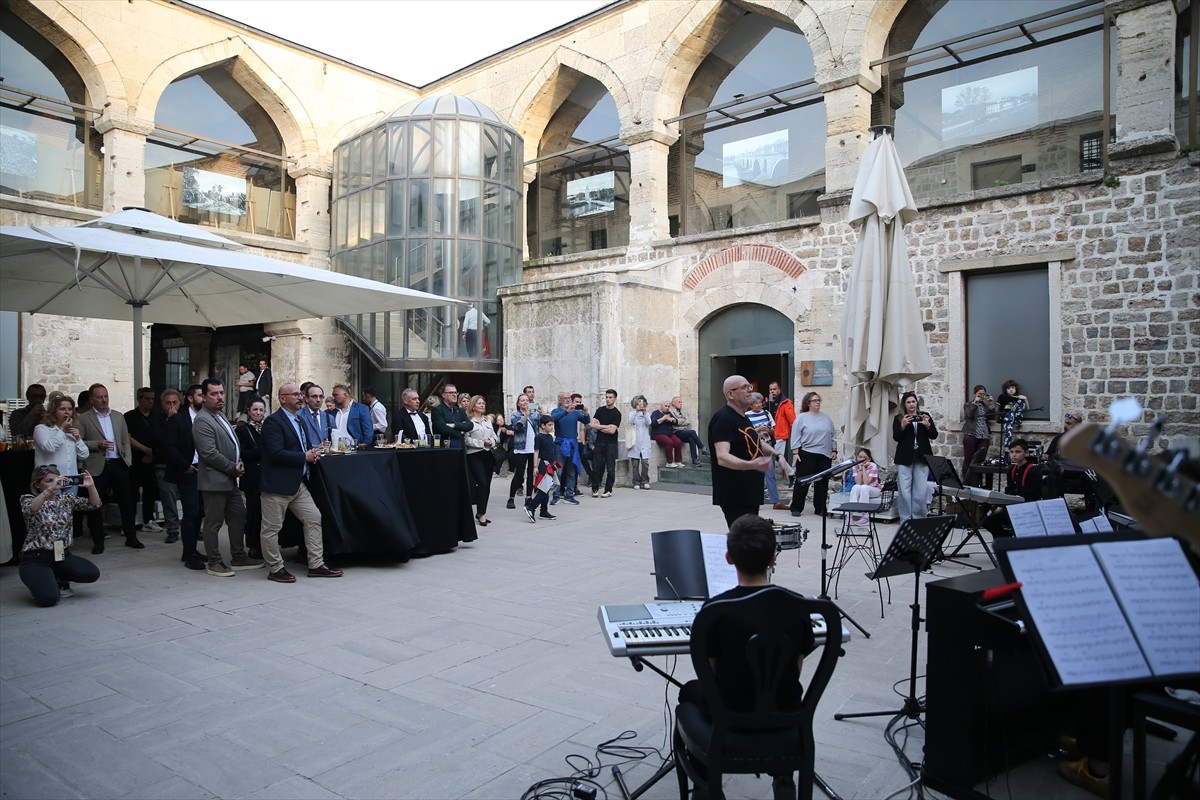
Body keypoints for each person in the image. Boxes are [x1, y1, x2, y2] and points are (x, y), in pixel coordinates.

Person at [676, 514, 815, 800]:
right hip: (785, 711)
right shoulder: (797, 606)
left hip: (729, 714)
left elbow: (712, 674)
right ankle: (783, 774)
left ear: (729, 558)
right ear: (773, 558)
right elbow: (796, 669)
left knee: (689, 691)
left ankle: (704, 786)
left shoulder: (716, 610)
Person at [260, 382, 343, 582]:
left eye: (300, 394)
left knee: (314, 517)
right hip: (277, 485)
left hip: (298, 483)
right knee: (272, 528)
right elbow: (275, 453)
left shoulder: (300, 421)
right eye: (295, 394)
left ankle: (316, 564)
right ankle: (275, 568)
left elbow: (302, 448)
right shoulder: (273, 422)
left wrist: (313, 454)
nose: (300, 397)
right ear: (282, 399)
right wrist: (303, 457)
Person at [192, 378, 262, 576]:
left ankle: (238, 557)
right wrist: (233, 467)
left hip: (230, 479)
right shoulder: (202, 420)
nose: (219, 397)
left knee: (238, 516)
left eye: (221, 392)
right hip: (215, 480)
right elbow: (209, 453)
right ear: (204, 397)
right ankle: (214, 561)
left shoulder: (219, 414)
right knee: (213, 523)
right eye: (214, 394)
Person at [19, 465, 102, 606]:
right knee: (49, 598)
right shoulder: (27, 499)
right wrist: (51, 489)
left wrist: (91, 487)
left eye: (56, 479)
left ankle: (58, 578)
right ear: (37, 484)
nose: (54, 483)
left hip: (61, 555)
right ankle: (41, 583)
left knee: (91, 573)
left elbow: (94, 504)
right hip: (36, 558)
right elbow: (31, 509)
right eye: (48, 480)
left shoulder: (66, 499)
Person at [78, 383, 143, 552]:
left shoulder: (118, 416)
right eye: (99, 397)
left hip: (118, 464)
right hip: (97, 465)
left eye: (105, 396)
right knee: (95, 505)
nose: (104, 400)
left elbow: (125, 440)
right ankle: (98, 541)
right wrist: (96, 444)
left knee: (126, 502)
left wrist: (127, 460)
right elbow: (78, 442)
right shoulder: (84, 418)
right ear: (91, 399)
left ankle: (131, 537)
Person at [710, 376, 775, 528]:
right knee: (744, 541)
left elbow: (756, 442)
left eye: (749, 387)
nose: (749, 391)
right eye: (744, 387)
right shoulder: (723, 419)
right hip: (735, 493)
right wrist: (752, 464)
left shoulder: (743, 417)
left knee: (749, 540)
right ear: (730, 394)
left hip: (750, 491)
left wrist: (778, 456)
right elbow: (722, 457)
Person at [162, 384, 205, 570]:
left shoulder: (209, 418)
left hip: (206, 472)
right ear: (190, 398)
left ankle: (192, 548)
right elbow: (168, 446)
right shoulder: (178, 420)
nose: (204, 398)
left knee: (200, 512)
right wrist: (184, 465)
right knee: (191, 511)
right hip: (188, 471)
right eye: (201, 395)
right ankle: (189, 553)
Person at [788, 392, 838, 519]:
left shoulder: (826, 417)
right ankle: (796, 507)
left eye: (819, 400)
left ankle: (820, 508)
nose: (817, 402)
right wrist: (795, 452)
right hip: (807, 453)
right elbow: (795, 435)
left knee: (822, 483)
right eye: (814, 400)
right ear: (808, 403)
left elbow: (833, 434)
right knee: (803, 481)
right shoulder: (802, 417)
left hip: (824, 454)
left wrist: (834, 449)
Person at [982, 439, 1043, 537]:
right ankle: (1003, 538)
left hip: (1026, 505)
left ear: (1026, 453)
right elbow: (1009, 489)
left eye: (1018, 452)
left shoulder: (1033, 471)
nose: (1014, 455)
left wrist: (1003, 507)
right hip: (1013, 503)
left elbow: (1030, 494)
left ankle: (1006, 539)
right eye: (1011, 452)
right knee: (985, 517)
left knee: (993, 518)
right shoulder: (1012, 470)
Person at [892, 391, 938, 521]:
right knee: (905, 492)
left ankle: (919, 519)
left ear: (916, 403)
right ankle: (906, 520)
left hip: (921, 457)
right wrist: (902, 426)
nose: (911, 404)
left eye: (913, 401)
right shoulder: (899, 418)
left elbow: (934, 435)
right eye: (908, 402)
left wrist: (927, 425)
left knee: (920, 491)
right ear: (904, 405)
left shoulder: (925, 416)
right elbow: (896, 437)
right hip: (904, 458)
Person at [124, 387, 163, 534]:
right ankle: (129, 522)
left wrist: (152, 452)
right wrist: (144, 450)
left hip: (152, 459)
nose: (150, 402)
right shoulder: (129, 416)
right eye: (147, 398)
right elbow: (127, 437)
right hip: (135, 460)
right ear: (139, 399)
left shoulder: (157, 416)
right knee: (132, 492)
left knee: (151, 491)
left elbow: (161, 436)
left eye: (152, 399)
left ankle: (148, 520)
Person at [33, 395, 89, 491]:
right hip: (50, 481)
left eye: (70, 409)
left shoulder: (72, 432)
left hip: (71, 480)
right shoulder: (41, 429)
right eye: (62, 409)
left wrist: (78, 438)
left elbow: (84, 455)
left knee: (70, 505)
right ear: (54, 412)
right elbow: (49, 448)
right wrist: (62, 429)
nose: (67, 412)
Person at [236, 397, 266, 559]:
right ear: (248, 411)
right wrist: (262, 450)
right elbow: (243, 453)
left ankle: (265, 544)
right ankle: (253, 545)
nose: (258, 413)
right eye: (255, 409)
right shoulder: (242, 430)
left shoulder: (268, 428)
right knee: (253, 512)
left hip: (266, 476)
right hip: (252, 477)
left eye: (261, 410)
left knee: (265, 513)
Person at [153, 389, 183, 544]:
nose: (171, 406)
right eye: (168, 403)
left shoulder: (185, 418)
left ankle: (192, 529)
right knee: (169, 500)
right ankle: (172, 530)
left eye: (175, 402)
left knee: (189, 500)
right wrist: (171, 420)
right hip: (164, 464)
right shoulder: (157, 419)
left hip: (184, 465)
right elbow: (160, 439)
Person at [463, 395, 498, 526]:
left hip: (488, 455)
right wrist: (481, 443)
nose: (482, 405)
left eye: (483, 403)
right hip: (474, 455)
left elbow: (495, 437)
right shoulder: (468, 421)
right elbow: (466, 439)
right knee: (482, 483)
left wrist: (491, 441)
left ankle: (481, 512)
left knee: (487, 486)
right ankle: (481, 513)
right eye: (479, 403)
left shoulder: (487, 421)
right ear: (473, 405)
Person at [550, 391, 590, 504]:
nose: (567, 400)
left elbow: (586, 421)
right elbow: (553, 419)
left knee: (572, 471)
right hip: (560, 444)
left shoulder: (576, 412)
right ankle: (556, 495)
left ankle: (569, 495)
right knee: (558, 471)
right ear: (560, 400)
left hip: (573, 444)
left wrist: (586, 412)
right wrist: (565, 412)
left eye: (568, 398)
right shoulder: (556, 411)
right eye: (565, 398)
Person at [746, 392, 780, 508]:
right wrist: (759, 428)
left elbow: (774, 431)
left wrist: (770, 430)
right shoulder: (746, 415)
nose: (759, 405)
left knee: (770, 474)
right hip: (753, 448)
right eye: (756, 403)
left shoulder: (767, 413)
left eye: (760, 402)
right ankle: (754, 499)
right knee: (754, 474)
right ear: (751, 404)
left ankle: (775, 501)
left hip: (767, 445)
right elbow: (746, 433)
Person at [523, 416, 560, 522]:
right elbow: (536, 451)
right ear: (543, 426)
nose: (552, 427)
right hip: (543, 465)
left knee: (547, 489)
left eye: (552, 424)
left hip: (551, 465)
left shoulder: (550, 437)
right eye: (549, 425)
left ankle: (543, 511)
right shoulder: (539, 437)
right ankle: (531, 507)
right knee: (544, 489)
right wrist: (535, 467)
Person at [507, 394, 540, 508]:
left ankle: (528, 497)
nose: (525, 402)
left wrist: (541, 412)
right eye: (522, 400)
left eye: (527, 400)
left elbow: (540, 424)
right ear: (518, 403)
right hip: (521, 447)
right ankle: (511, 498)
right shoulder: (515, 415)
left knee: (531, 474)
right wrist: (525, 416)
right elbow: (517, 428)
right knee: (519, 473)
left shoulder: (535, 414)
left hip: (532, 447)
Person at [961, 385, 995, 486]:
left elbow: (992, 416)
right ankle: (967, 483)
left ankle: (978, 483)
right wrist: (975, 403)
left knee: (980, 461)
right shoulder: (968, 404)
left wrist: (991, 404)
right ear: (974, 394)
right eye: (979, 394)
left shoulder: (984, 406)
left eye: (983, 394)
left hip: (984, 435)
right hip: (971, 434)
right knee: (968, 459)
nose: (981, 396)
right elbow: (969, 415)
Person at [589, 389, 621, 498]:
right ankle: (595, 488)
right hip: (599, 442)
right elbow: (592, 425)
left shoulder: (617, 414)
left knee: (610, 468)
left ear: (615, 399)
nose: (608, 399)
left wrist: (600, 427)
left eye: (610, 397)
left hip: (611, 444)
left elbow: (612, 431)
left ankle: (608, 490)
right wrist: (606, 426)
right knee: (597, 467)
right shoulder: (600, 410)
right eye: (606, 397)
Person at [767, 381, 796, 483]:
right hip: (770, 434)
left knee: (777, 457)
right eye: (770, 389)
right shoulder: (769, 402)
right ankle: (788, 474)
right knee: (773, 456)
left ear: (779, 390)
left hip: (780, 434)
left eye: (774, 389)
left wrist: (795, 434)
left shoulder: (786, 402)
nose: (772, 391)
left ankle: (791, 473)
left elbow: (792, 420)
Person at [329, 384, 373, 448]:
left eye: (335, 395)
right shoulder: (333, 413)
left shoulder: (361, 409)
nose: (333, 398)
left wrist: (365, 444)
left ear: (345, 395)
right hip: (336, 451)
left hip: (355, 450)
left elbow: (368, 430)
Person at [845, 448, 881, 526]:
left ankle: (865, 516)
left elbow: (866, 482)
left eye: (864, 458)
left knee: (864, 487)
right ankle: (850, 515)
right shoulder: (855, 466)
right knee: (855, 487)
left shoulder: (873, 466)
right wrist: (860, 468)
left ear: (869, 459)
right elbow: (858, 482)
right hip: (862, 488)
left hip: (874, 489)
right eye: (860, 457)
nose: (862, 459)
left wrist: (863, 468)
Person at [669, 395, 708, 466]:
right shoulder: (670, 411)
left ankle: (695, 459)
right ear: (673, 403)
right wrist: (680, 421)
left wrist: (678, 421)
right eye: (679, 402)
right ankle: (702, 447)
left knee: (691, 439)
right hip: (676, 432)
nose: (681, 404)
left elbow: (688, 421)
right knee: (692, 432)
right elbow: (674, 422)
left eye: (681, 402)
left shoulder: (683, 411)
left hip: (683, 431)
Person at [431, 384, 472, 448]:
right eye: (451, 393)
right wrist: (460, 432)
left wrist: (454, 425)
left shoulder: (460, 410)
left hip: (460, 448)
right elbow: (442, 428)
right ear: (443, 395)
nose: (454, 395)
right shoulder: (437, 410)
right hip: (445, 449)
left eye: (456, 392)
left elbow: (470, 425)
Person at [625, 395, 653, 490]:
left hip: (644, 442)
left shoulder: (646, 415)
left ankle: (645, 480)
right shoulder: (632, 414)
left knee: (645, 463)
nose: (640, 406)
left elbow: (649, 423)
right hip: (635, 442)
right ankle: (636, 481)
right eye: (638, 404)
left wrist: (644, 412)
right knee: (635, 464)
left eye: (641, 404)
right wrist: (636, 412)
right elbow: (630, 421)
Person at [995, 379, 1029, 456]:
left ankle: (1018, 419)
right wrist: (997, 416)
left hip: (1015, 415)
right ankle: (1007, 450)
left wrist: (1025, 399)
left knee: (1021, 401)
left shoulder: (1018, 398)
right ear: (1005, 389)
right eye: (1009, 388)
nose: (1011, 390)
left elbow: (1028, 408)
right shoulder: (1002, 396)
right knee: (1008, 433)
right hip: (1007, 416)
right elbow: (997, 407)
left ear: (1016, 389)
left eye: (1013, 388)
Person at [650, 400, 685, 468]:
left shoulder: (669, 413)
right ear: (661, 406)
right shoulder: (655, 413)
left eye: (668, 406)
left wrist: (673, 420)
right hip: (658, 433)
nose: (667, 408)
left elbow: (675, 421)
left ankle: (678, 461)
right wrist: (663, 418)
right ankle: (669, 462)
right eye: (665, 406)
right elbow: (653, 423)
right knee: (669, 442)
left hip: (668, 433)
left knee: (678, 442)